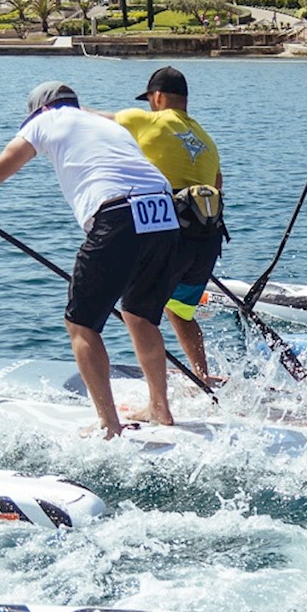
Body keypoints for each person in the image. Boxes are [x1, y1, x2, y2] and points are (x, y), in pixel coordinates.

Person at [0, 81, 182, 437]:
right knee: (139, 315)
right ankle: (161, 410)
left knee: (81, 324)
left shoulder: (44, 121)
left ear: (40, 109)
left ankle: (108, 424)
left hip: (118, 212)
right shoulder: (104, 122)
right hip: (165, 212)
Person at [98, 66, 226, 385]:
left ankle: (157, 402)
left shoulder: (147, 120)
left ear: (157, 97)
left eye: (150, 101)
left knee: (137, 314)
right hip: (208, 238)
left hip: (170, 236)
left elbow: (90, 120)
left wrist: (57, 109)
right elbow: (219, 186)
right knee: (180, 310)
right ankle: (202, 376)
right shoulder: (207, 140)